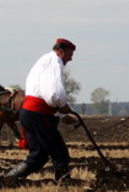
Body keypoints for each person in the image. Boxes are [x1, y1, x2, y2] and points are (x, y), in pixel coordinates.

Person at [5, 38, 77, 181]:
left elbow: (42, 94)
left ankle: (8, 180)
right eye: (70, 54)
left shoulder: (44, 61)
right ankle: (64, 184)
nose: (71, 59)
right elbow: (52, 93)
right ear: (61, 52)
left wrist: (61, 115)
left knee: (38, 156)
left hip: (30, 113)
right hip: (39, 115)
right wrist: (62, 106)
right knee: (60, 153)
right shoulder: (55, 62)